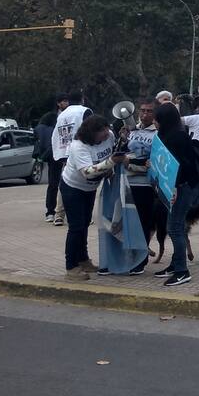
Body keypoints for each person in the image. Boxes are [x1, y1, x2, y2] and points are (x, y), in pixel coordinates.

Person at [59, 115, 121, 280]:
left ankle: (83, 259)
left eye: (107, 130)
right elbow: (87, 172)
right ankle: (71, 266)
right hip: (73, 188)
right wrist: (110, 162)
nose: (106, 135)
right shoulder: (78, 146)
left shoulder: (109, 136)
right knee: (76, 226)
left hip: (89, 188)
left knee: (85, 223)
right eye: (102, 132)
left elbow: (113, 149)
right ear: (92, 133)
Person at [153, 102, 199, 286]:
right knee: (175, 225)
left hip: (182, 187)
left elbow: (180, 166)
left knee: (175, 227)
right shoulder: (167, 135)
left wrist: (173, 188)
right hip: (175, 187)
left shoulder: (178, 138)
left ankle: (182, 271)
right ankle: (175, 264)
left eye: (157, 119)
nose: (155, 123)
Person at [122, 99, 158, 274]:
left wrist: (130, 165)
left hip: (145, 185)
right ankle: (128, 257)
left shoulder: (158, 134)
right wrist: (123, 139)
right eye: (142, 110)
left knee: (143, 223)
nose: (145, 114)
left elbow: (154, 163)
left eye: (149, 111)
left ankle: (140, 261)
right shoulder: (132, 130)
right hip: (126, 183)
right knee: (127, 223)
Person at [51, 93, 93, 227]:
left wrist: (59, 152)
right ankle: (82, 213)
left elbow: (56, 134)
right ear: (82, 100)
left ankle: (59, 215)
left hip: (65, 152)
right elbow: (91, 129)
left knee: (65, 181)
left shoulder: (62, 114)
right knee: (83, 183)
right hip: (81, 151)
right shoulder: (85, 111)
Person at [35, 110, 59, 222]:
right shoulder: (55, 129)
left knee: (52, 185)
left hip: (51, 159)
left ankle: (50, 212)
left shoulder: (39, 129)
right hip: (61, 156)